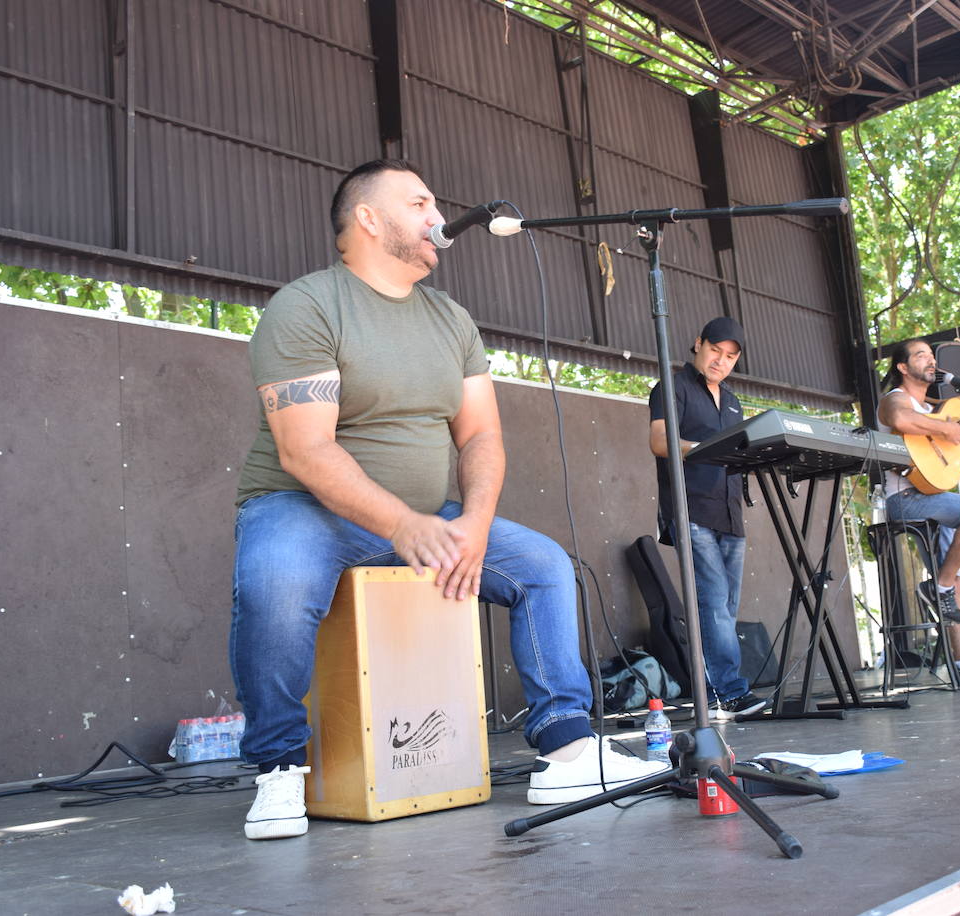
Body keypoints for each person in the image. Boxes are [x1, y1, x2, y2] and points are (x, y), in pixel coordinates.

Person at [230, 159, 665, 840]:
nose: (439, 217)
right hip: (307, 509)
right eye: (420, 202)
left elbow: (482, 434)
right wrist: (402, 524)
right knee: (274, 581)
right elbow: (304, 450)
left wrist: (477, 526)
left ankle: (568, 749)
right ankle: (279, 768)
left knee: (545, 567)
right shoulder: (308, 304)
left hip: (431, 520)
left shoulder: (453, 319)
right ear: (368, 219)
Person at [647, 317, 767, 720]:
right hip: (691, 509)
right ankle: (731, 693)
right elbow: (660, 441)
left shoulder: (732, 401)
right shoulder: (671, 386)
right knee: (714, 602)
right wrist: (706, 448)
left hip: (731, 512)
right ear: (698, 344)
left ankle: (720, 692)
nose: (722, 360)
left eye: (731, 356)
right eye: (716, 350)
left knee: (725, 606)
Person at [877, 338, 960, 683]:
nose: (930, 360)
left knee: (950, 580)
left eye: (931, 355)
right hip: (904, 500)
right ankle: (939, 586)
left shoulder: (937, 406)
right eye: (920, 355)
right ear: (903, 368)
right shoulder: (896, 399)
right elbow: (899, 419)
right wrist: (946, 428)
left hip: (934, 495)